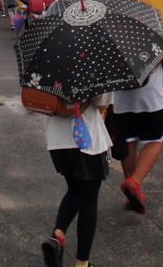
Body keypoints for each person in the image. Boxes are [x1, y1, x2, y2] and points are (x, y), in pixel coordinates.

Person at [41, 93, 112, 267]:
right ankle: (82, 263)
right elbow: (102, 102)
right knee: (89, 200)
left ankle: (58, 237)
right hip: (85, 138)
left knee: (75, 190)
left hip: (56, 139)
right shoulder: (92, 64)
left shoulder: (48, 65)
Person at [113, 52, 163, 214]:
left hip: (121, 96)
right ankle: (134, 182)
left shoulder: (110, 30)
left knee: (129, 142)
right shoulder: (152, 28)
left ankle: (130, 197)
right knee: (155, 140)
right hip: (150, 97)